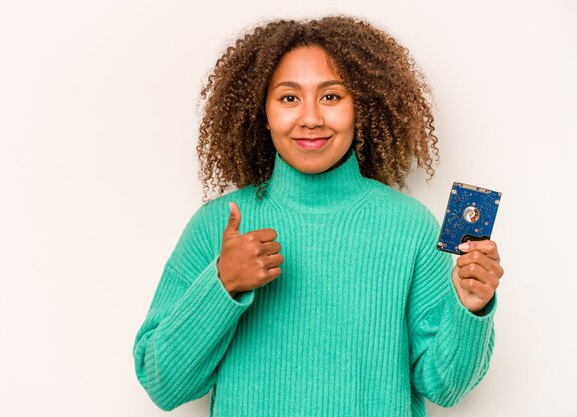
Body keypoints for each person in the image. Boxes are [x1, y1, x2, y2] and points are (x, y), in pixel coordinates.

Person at [133, 15, 503, 417]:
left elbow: (444, 388)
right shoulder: (217, 225)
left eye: (331, 97)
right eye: (289, 98)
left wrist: (470, 309)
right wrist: (223, 285)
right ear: (263, 111)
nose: (310, 118)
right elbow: (162, 384)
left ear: (361, 106)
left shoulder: (410, 227)